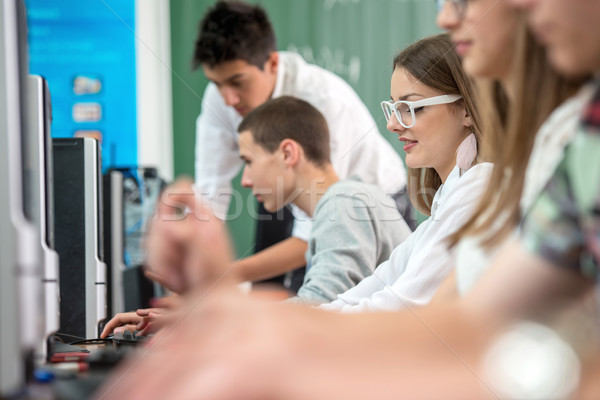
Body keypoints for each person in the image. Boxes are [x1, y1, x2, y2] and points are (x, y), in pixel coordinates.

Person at [94, 0, 600, 398]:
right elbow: (393, 295)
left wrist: (235, 307)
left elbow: (405, 310)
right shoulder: (537, 160)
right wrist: (220, 313)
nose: (244, 180)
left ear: (289, 153)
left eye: (248, 162)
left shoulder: (348, 195)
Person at [192, 0, 413, 291]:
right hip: (289, 186)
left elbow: (313, 260)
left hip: (365, 199)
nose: (229, 99)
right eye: (217, 83)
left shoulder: (324, 100)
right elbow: (210, 194)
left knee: (318, 290)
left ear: (272, 63)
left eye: (237, 82)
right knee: (266, 290)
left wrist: (222, 276)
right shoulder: (221, 97)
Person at [320, 34, 492, 312]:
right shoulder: (448, 201)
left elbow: (397, 307)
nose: (392, 124)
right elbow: (374, 286)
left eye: (411, 108)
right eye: (393, 108)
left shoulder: (479, 186)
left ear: (467, 110)